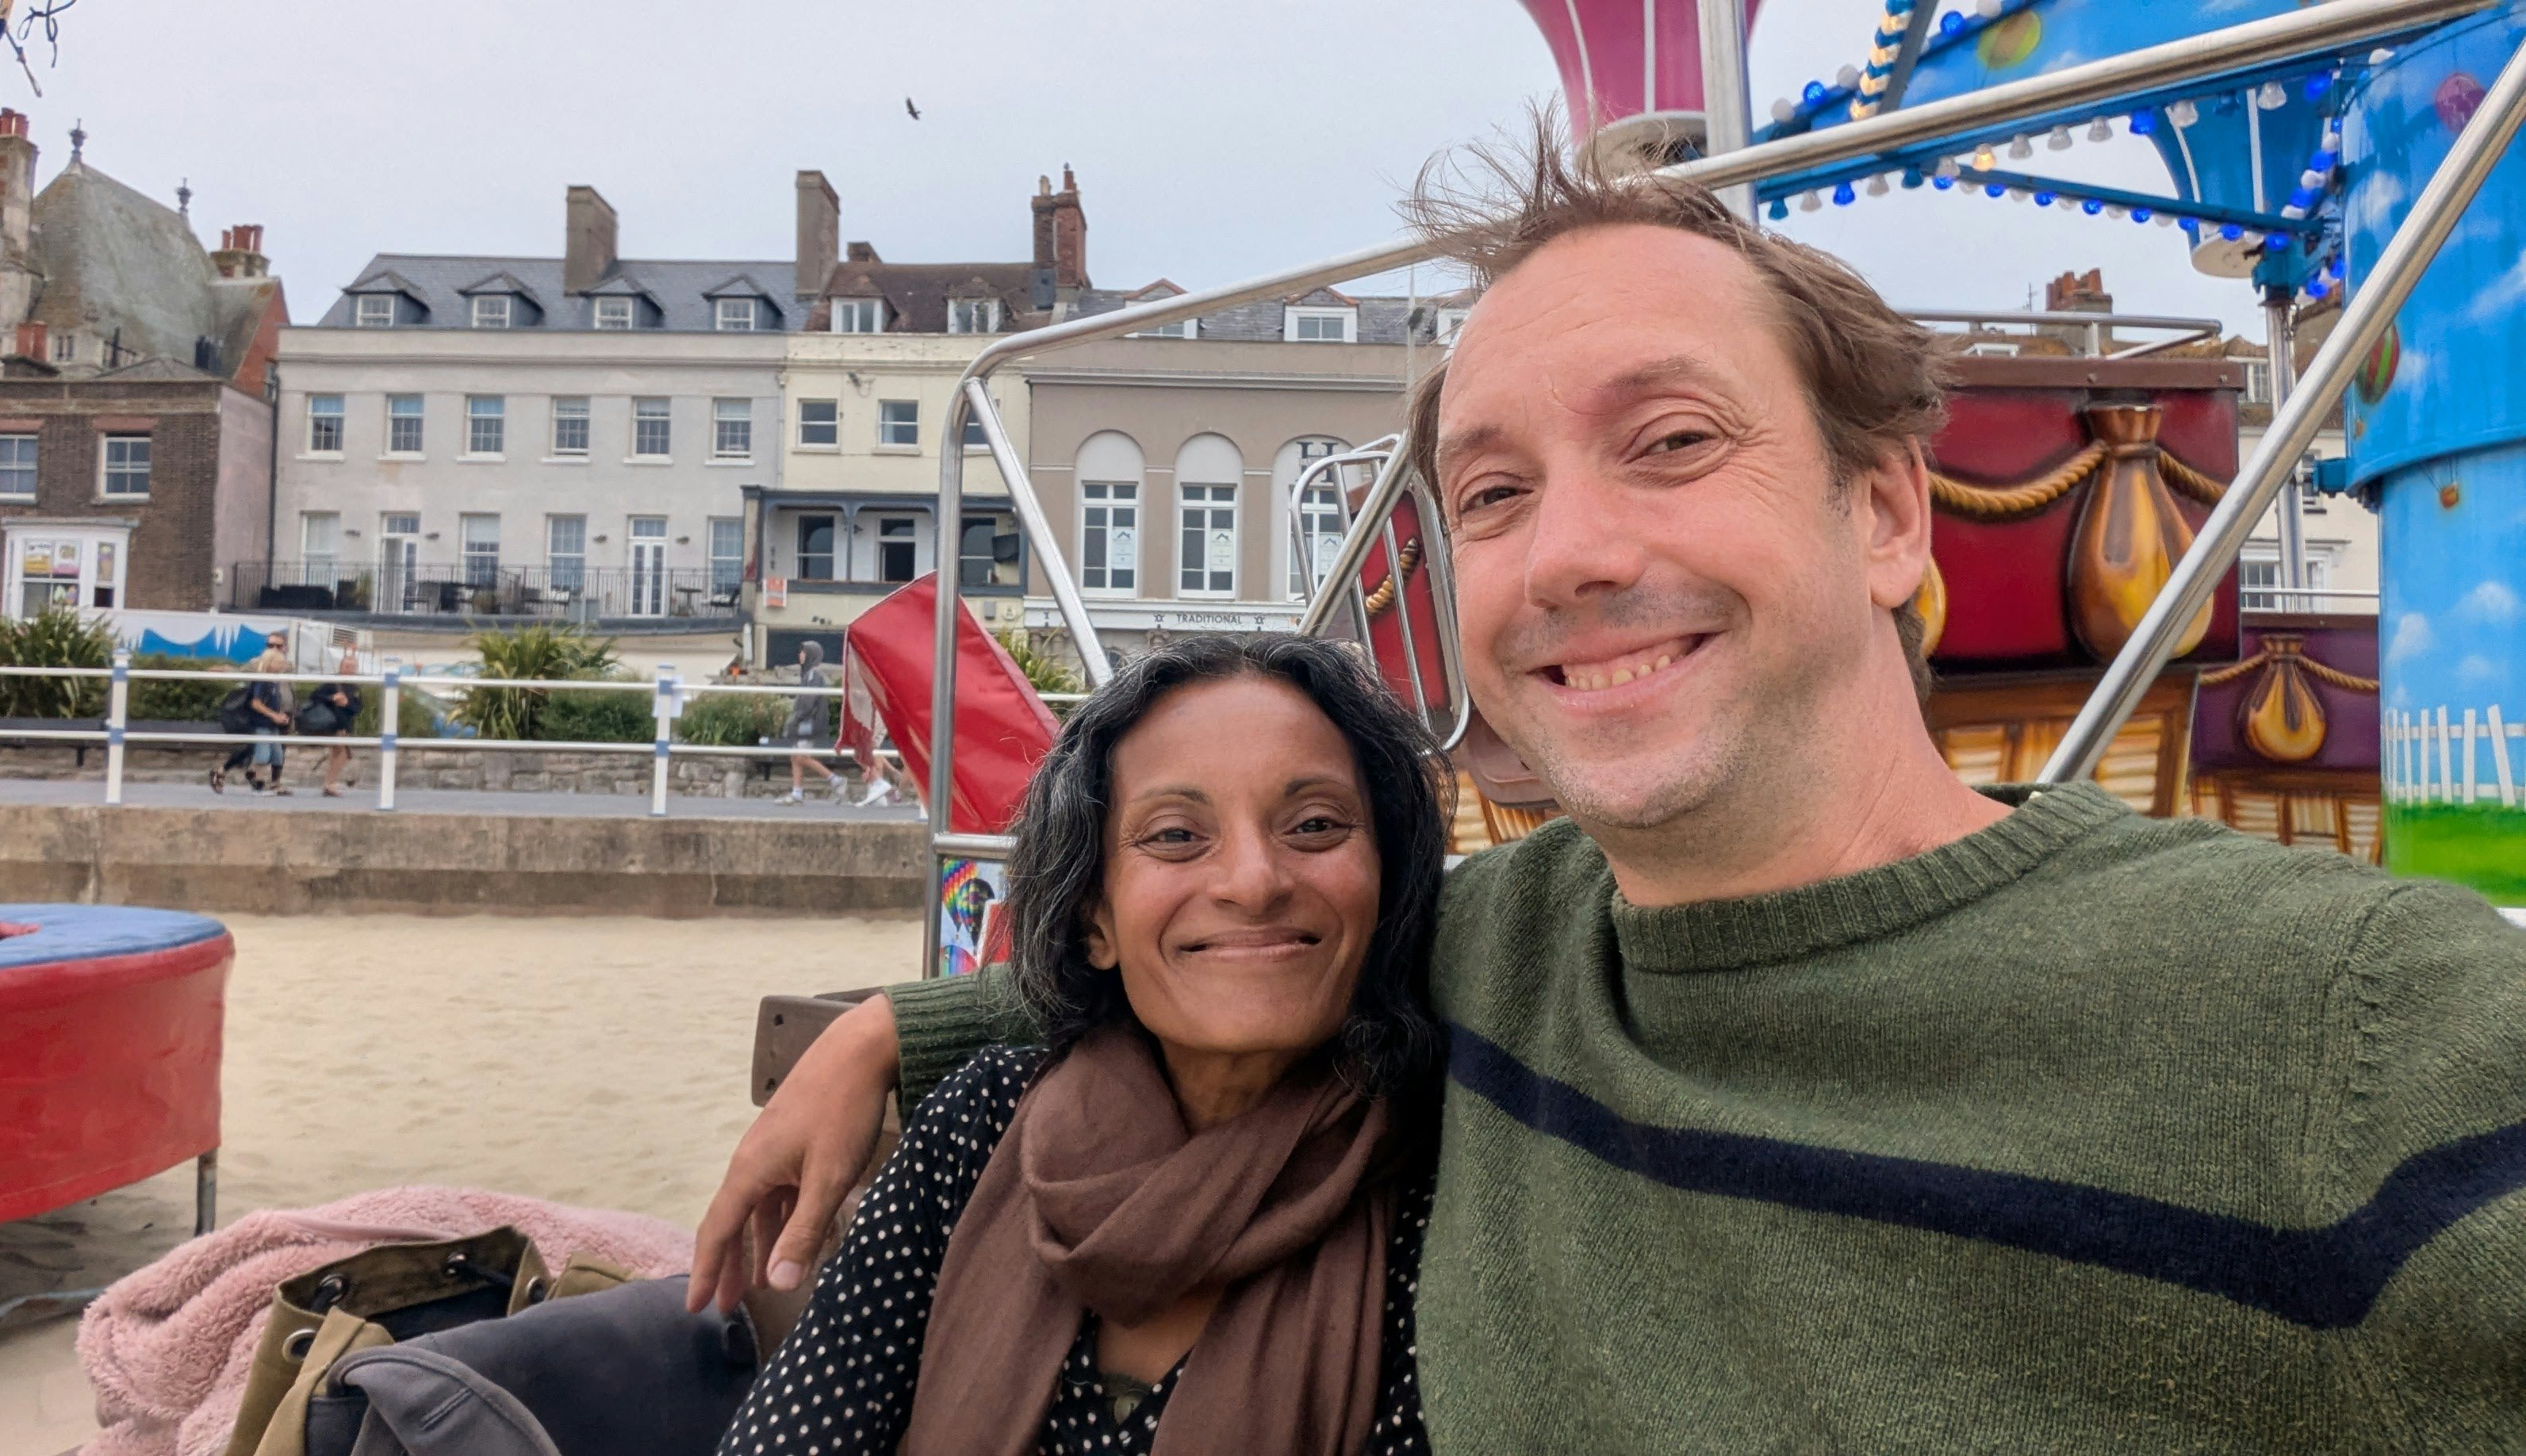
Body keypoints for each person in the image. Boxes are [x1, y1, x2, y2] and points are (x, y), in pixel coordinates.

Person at [695, 115, 2526, 1450]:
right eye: (1492, 493)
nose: (1565, 552)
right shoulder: (1494, 950)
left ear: (1886, 509)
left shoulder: (2335, 1035)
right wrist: (895, 1033)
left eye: (1669, 442)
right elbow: (1224, 944)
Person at [715, 634, 1445, 1455]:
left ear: (1385, 887)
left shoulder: (1438, 1202)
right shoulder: (981, 1129)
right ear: (1095, 921)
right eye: (1175, 836)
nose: (1254, 880)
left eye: (1315, 825)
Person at [213, 634, 294, 795]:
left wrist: (286, 713)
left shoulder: (287, 668)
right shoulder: (258, 667)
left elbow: (289, 691)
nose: (274, 649)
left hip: (280, 715)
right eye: (270, 645)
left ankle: (268, 781)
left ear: (285, 647)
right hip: (263, 719)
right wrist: (223, 669)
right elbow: (241, 673)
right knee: (257, 752)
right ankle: (256, 779)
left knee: (276, 753)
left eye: (278, 646)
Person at [778, 642, 846, 804]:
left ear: (811, 655)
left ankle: (835, 780)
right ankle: (797, 792)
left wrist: (797, 717)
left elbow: (809, 700)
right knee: (796, 756)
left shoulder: (813, 675)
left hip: (808, 723)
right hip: (805, 722)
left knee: (801, 757)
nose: (800, 655)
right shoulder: (808, 674)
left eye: (803, 653)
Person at [297, 649, 365, 796]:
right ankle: (329, 783)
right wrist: (332, 698)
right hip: (331, 724)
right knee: (341, 752)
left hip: (344, 725)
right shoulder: (332, 683)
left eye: (352, 667)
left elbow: (358, 708)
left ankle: (330, 783)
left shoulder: (355, 688)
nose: (349, 670)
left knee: (342, 755)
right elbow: (315, 696)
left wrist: (347, 703)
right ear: (341, 667)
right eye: (347, 666)